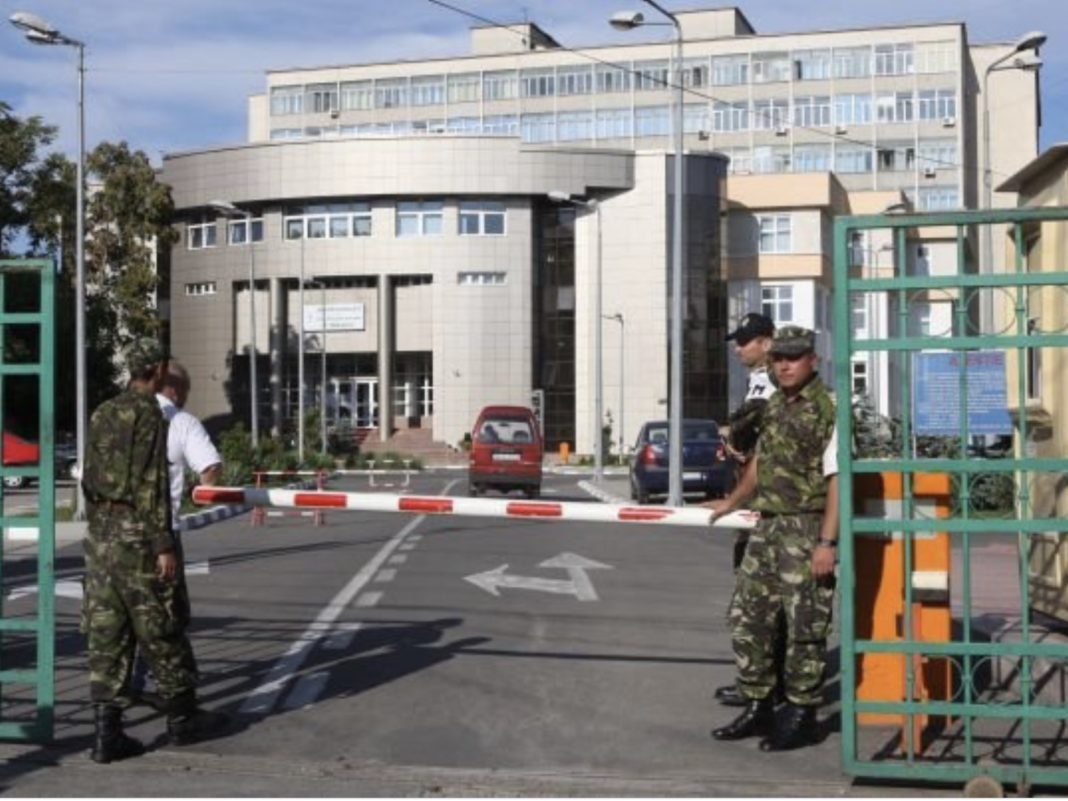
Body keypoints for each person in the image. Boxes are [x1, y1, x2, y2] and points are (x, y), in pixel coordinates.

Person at [81, 338, 226, 764]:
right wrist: (162, 543)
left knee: (107, 629)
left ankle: (107, 733)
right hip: (139, 536)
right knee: (161, 624)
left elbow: (90, 477)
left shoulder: (103, 411)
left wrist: (100, 524)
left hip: (102, 533)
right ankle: (183, 719)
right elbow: (150, 486)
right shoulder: (150, 414)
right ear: (159, 370)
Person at [706, 326, 839, 752]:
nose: (784, 364)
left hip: (806, 527)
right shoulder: (776, 405)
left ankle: (802, 714)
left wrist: (827, 543)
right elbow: (761, 463)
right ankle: (760, 703)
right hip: (768, 526)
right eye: (779, 357)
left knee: (805, 627)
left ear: (812, 361)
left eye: (794, 357)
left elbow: (839, 479)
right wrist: (731, 502)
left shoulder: (829, 410)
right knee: (748, 618)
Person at [130, 360, 223, 709]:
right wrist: (201, 490)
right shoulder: (180, 422)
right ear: (172, 388)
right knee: (166, 617)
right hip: (160, 534)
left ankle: (121, 697)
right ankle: (176, 705)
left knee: (123, 615)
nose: (185, 398)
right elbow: (210, 469)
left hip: (114, 535)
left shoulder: (113, 416)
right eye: (185, 391)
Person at [712, 312, 784, 709]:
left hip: (766, 499)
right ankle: (760, 680)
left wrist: (737, 439)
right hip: (756, 494)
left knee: (757, 601)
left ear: (766, 342)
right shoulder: (762, 379)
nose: (739, 348)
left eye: (745, 341)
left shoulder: (772, 380)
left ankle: (763, 684)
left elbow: (758, 429)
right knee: (757, 597)